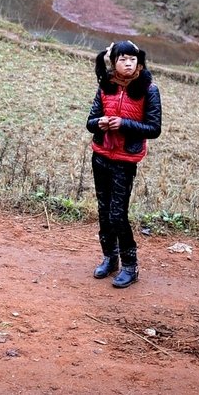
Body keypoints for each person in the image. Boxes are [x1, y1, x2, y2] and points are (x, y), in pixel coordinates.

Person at [85, 40, 162, 288]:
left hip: (125, 161)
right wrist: (101, 122)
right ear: (114, 62)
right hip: (101, 155)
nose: (128, 63)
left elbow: (154, 128)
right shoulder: (106, 86)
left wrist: (124, 124)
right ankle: (110, 258)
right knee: (104, 212)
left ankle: (131, 266)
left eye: (133, 59)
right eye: (122, 59)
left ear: (139, 62)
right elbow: (90, 121)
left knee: (118, 214)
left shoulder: (149, 89)